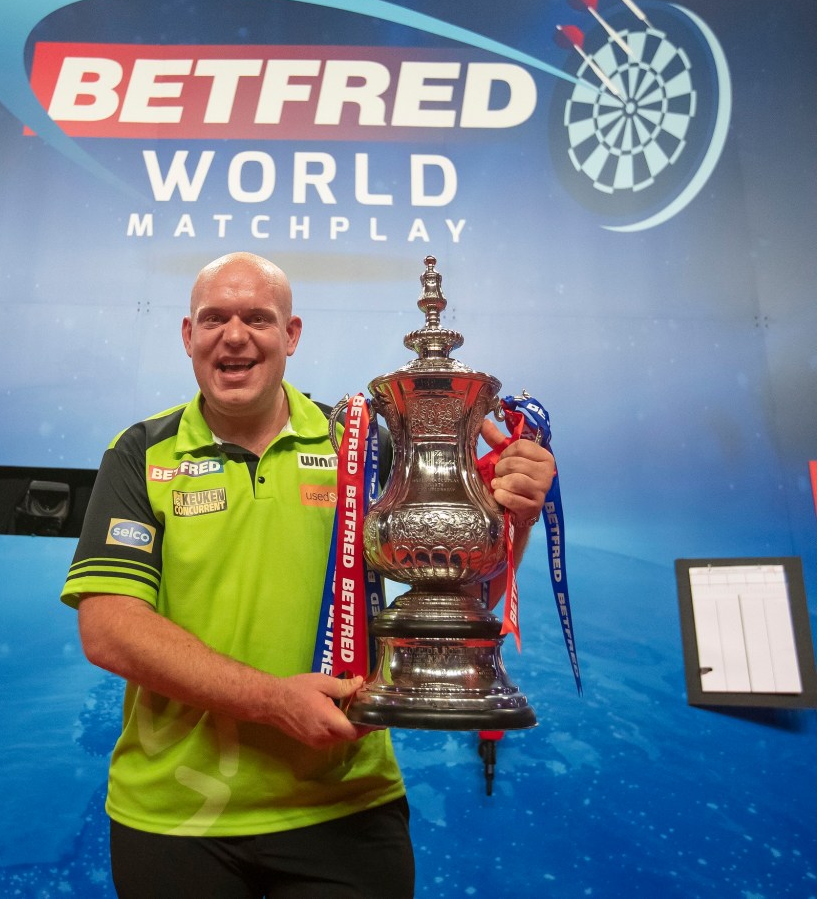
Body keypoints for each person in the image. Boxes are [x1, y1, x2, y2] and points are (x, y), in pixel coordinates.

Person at [60, 251, 556, 898]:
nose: (234, 336)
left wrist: (512, 520)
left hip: (346, 803)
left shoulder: (363, 443)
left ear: (291, 335)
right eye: (214, 318)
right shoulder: (141, 452)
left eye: (257, 318)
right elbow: (109, 629)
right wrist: (271, 701)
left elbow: (456, 601)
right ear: (188, 334)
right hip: (175, 813)